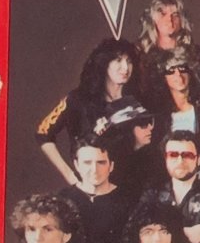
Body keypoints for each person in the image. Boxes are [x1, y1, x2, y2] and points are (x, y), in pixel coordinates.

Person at [36, 39, 142, 189]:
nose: (125, 68)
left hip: (130, 188)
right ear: (104, 63)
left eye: (129, 61)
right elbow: (43, 133)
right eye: (118, 60)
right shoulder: (77, 99)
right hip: (90, 189)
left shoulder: (137, 101)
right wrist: (70, 175)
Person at [58, 138, 132, 243]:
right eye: (87, 163)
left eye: (101, 162)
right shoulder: (63, 199)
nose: (94, 170)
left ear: (111, 166)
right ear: (76, 165)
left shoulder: (127, 200)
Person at [141, 130, 200, 243]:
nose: (180, 161)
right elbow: (142, 232)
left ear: (198, 159)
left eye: (187, 155)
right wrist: (185, 232)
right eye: (173, 155)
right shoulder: (152, 194)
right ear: (165, 159)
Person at [138, 0, 200, 88]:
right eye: (163, 14)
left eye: (175, 15)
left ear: (182, 20)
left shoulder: (199, 55)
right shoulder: (143, 59)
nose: (169, 19)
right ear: (153, 20)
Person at [149, 42, 200, 143]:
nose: (178, 75)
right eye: (171, 70)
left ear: (191, 72)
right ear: (163, 77)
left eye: (182, 68)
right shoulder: (159, 114)